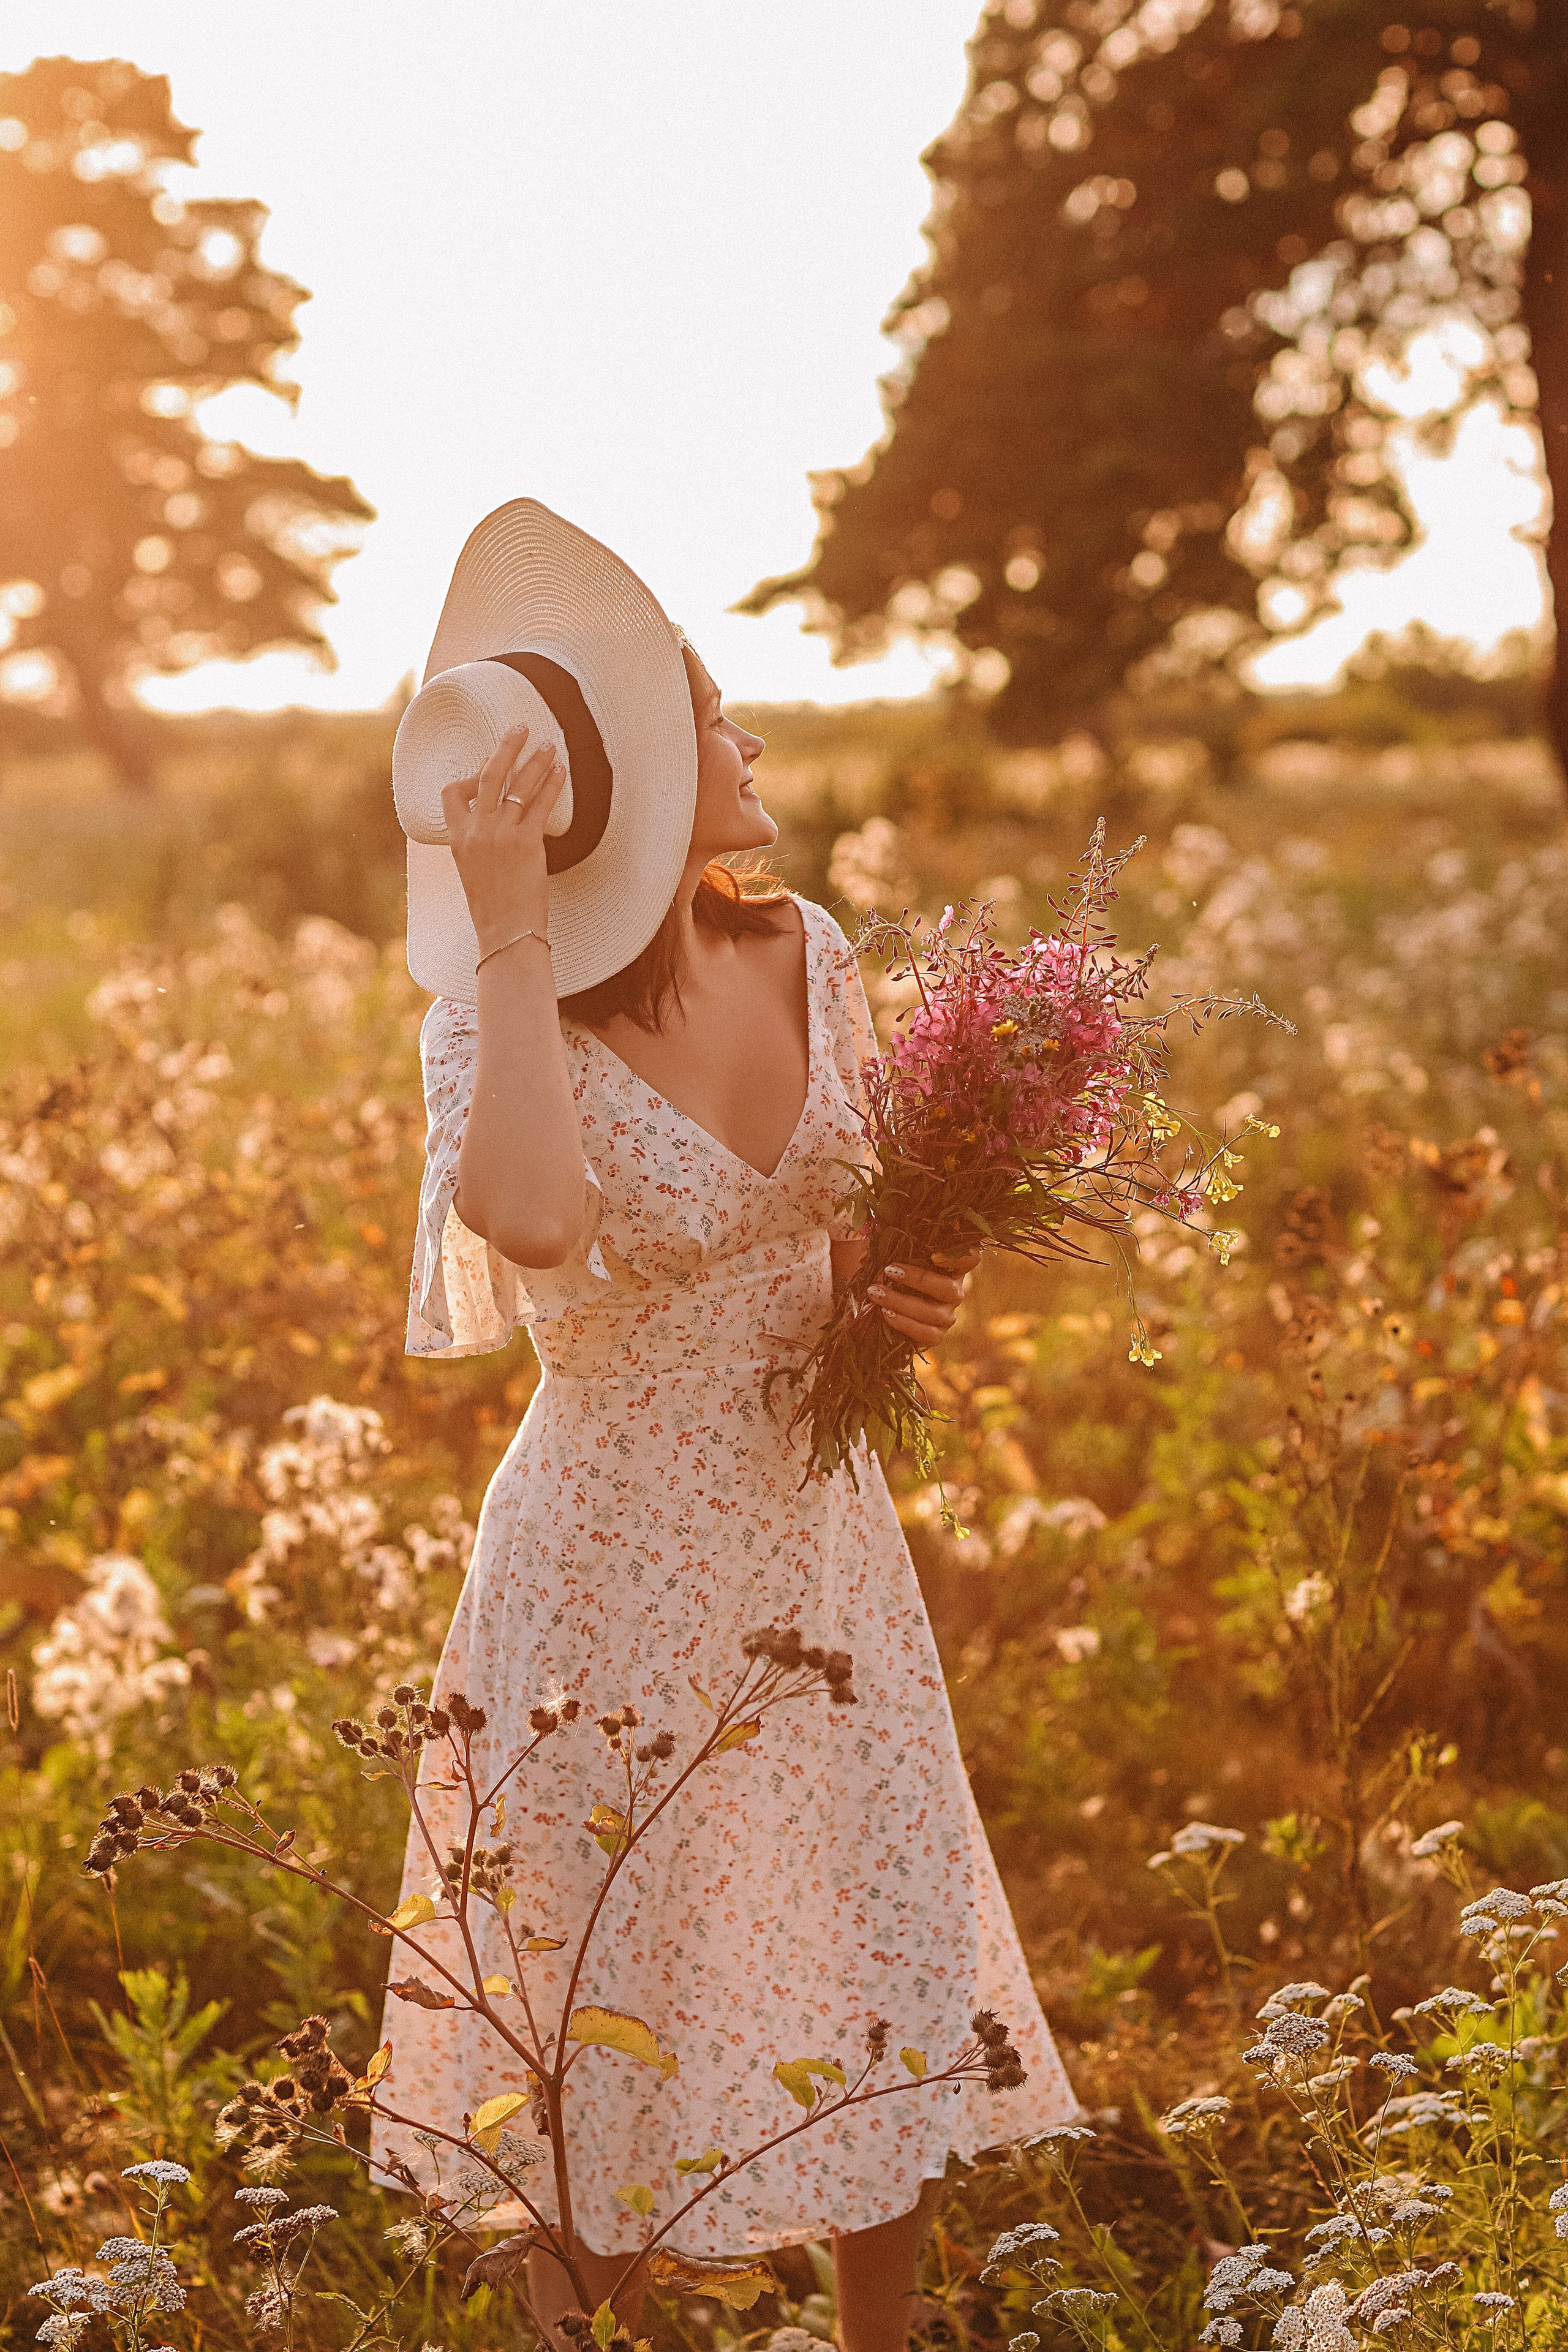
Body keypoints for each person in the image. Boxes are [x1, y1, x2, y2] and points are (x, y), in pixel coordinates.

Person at [374, 502, 1077, 2349]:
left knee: (863, 1943)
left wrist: (896, 1300)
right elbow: (531, 1225)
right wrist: (516, 926)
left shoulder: (811, 954)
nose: (751, 747)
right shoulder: (490, 1019)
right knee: (600, 2012)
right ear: (642, 783)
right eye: (713, 722)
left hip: (817, 1539)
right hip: (608, 1565)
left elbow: (837, 1235)